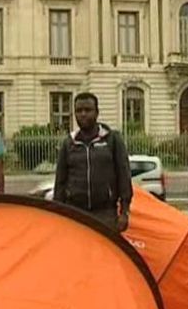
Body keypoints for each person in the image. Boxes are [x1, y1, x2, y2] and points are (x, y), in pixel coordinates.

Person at [53, 92, 132, 231]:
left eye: (88, 110)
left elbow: (124, 176)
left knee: (103, 252)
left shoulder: (112, 140)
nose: (83, 114)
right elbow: (60, 182)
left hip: (105, 213)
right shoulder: (68, 143)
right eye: (78, 111)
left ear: (97, 112)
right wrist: (57, 213)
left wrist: (124, 212)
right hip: (75, 212)